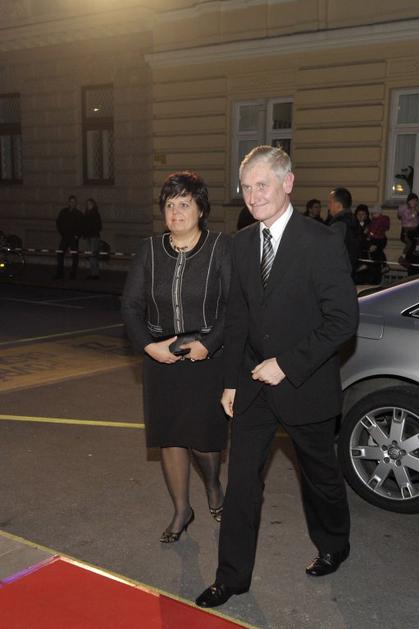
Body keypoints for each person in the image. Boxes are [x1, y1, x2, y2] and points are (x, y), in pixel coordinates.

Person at [196, 145, 358, 609]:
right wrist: (231, 381)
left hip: (305, 383)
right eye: (246, 187)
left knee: (320, 476)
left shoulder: (321, 241)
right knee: (242, 483)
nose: (253, 196)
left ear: (288, 183)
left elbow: (343, 321)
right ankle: (231, 577)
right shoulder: (242, 243)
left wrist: (286, 363)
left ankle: (334, 543)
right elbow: (238, 319)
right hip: (252, 384)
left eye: (262, 185)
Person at [122, 171, 231, 543]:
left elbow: (234, 306)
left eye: (184, 204)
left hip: (206, 358)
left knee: (203, 439)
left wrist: (209, 343)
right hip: (161, 359)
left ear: (201, 209)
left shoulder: (220, 247)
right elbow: (130, 305)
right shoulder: (149, 250)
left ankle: (212, 485)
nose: (176, 212)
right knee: (170, 437)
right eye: (170, 205)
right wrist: (148, 346)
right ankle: (182, 510)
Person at [328, 187, 360, 279]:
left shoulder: (339, 225)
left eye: (330, 202)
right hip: (349, 272)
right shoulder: (353, 221)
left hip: (338, 274)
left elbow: (332, 250)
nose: (328, 206)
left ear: (338, 205)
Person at [55, 195, 84, 279]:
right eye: (71, 201)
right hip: (65, 237)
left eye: (74, 202)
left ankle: (73, 274)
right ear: (68, 202)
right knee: (60, 254)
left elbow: (82, 226)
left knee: (74, 256)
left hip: (73, 238)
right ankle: (60, 273)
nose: (72, 203)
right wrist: (62, 232)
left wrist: (77, 235)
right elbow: (58, 222)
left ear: (76, 203)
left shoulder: (78, 213)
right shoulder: (63, 212)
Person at [83, 198, 102, 279]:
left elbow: (99, 226)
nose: (88, 205)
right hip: (88, 237)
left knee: (93, 256)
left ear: (93, 205)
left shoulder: (95, 214)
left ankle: (95, 274)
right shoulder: (86, 214)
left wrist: (91, 230)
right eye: (87, 204)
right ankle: (93, 273)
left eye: (90, 204)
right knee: (91, 255)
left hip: (94, 237)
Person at [397, 192, 419, 261]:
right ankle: (403, 256)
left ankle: (416, 251)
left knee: (415, 241)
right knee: (410, 244)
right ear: (408, 201)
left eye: (416, 200)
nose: (414, 202)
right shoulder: (406, 209)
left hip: (415, 228)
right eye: (412, 200)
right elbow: (407, 218)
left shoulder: (415, 209)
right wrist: (414, 214)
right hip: (407, 229)